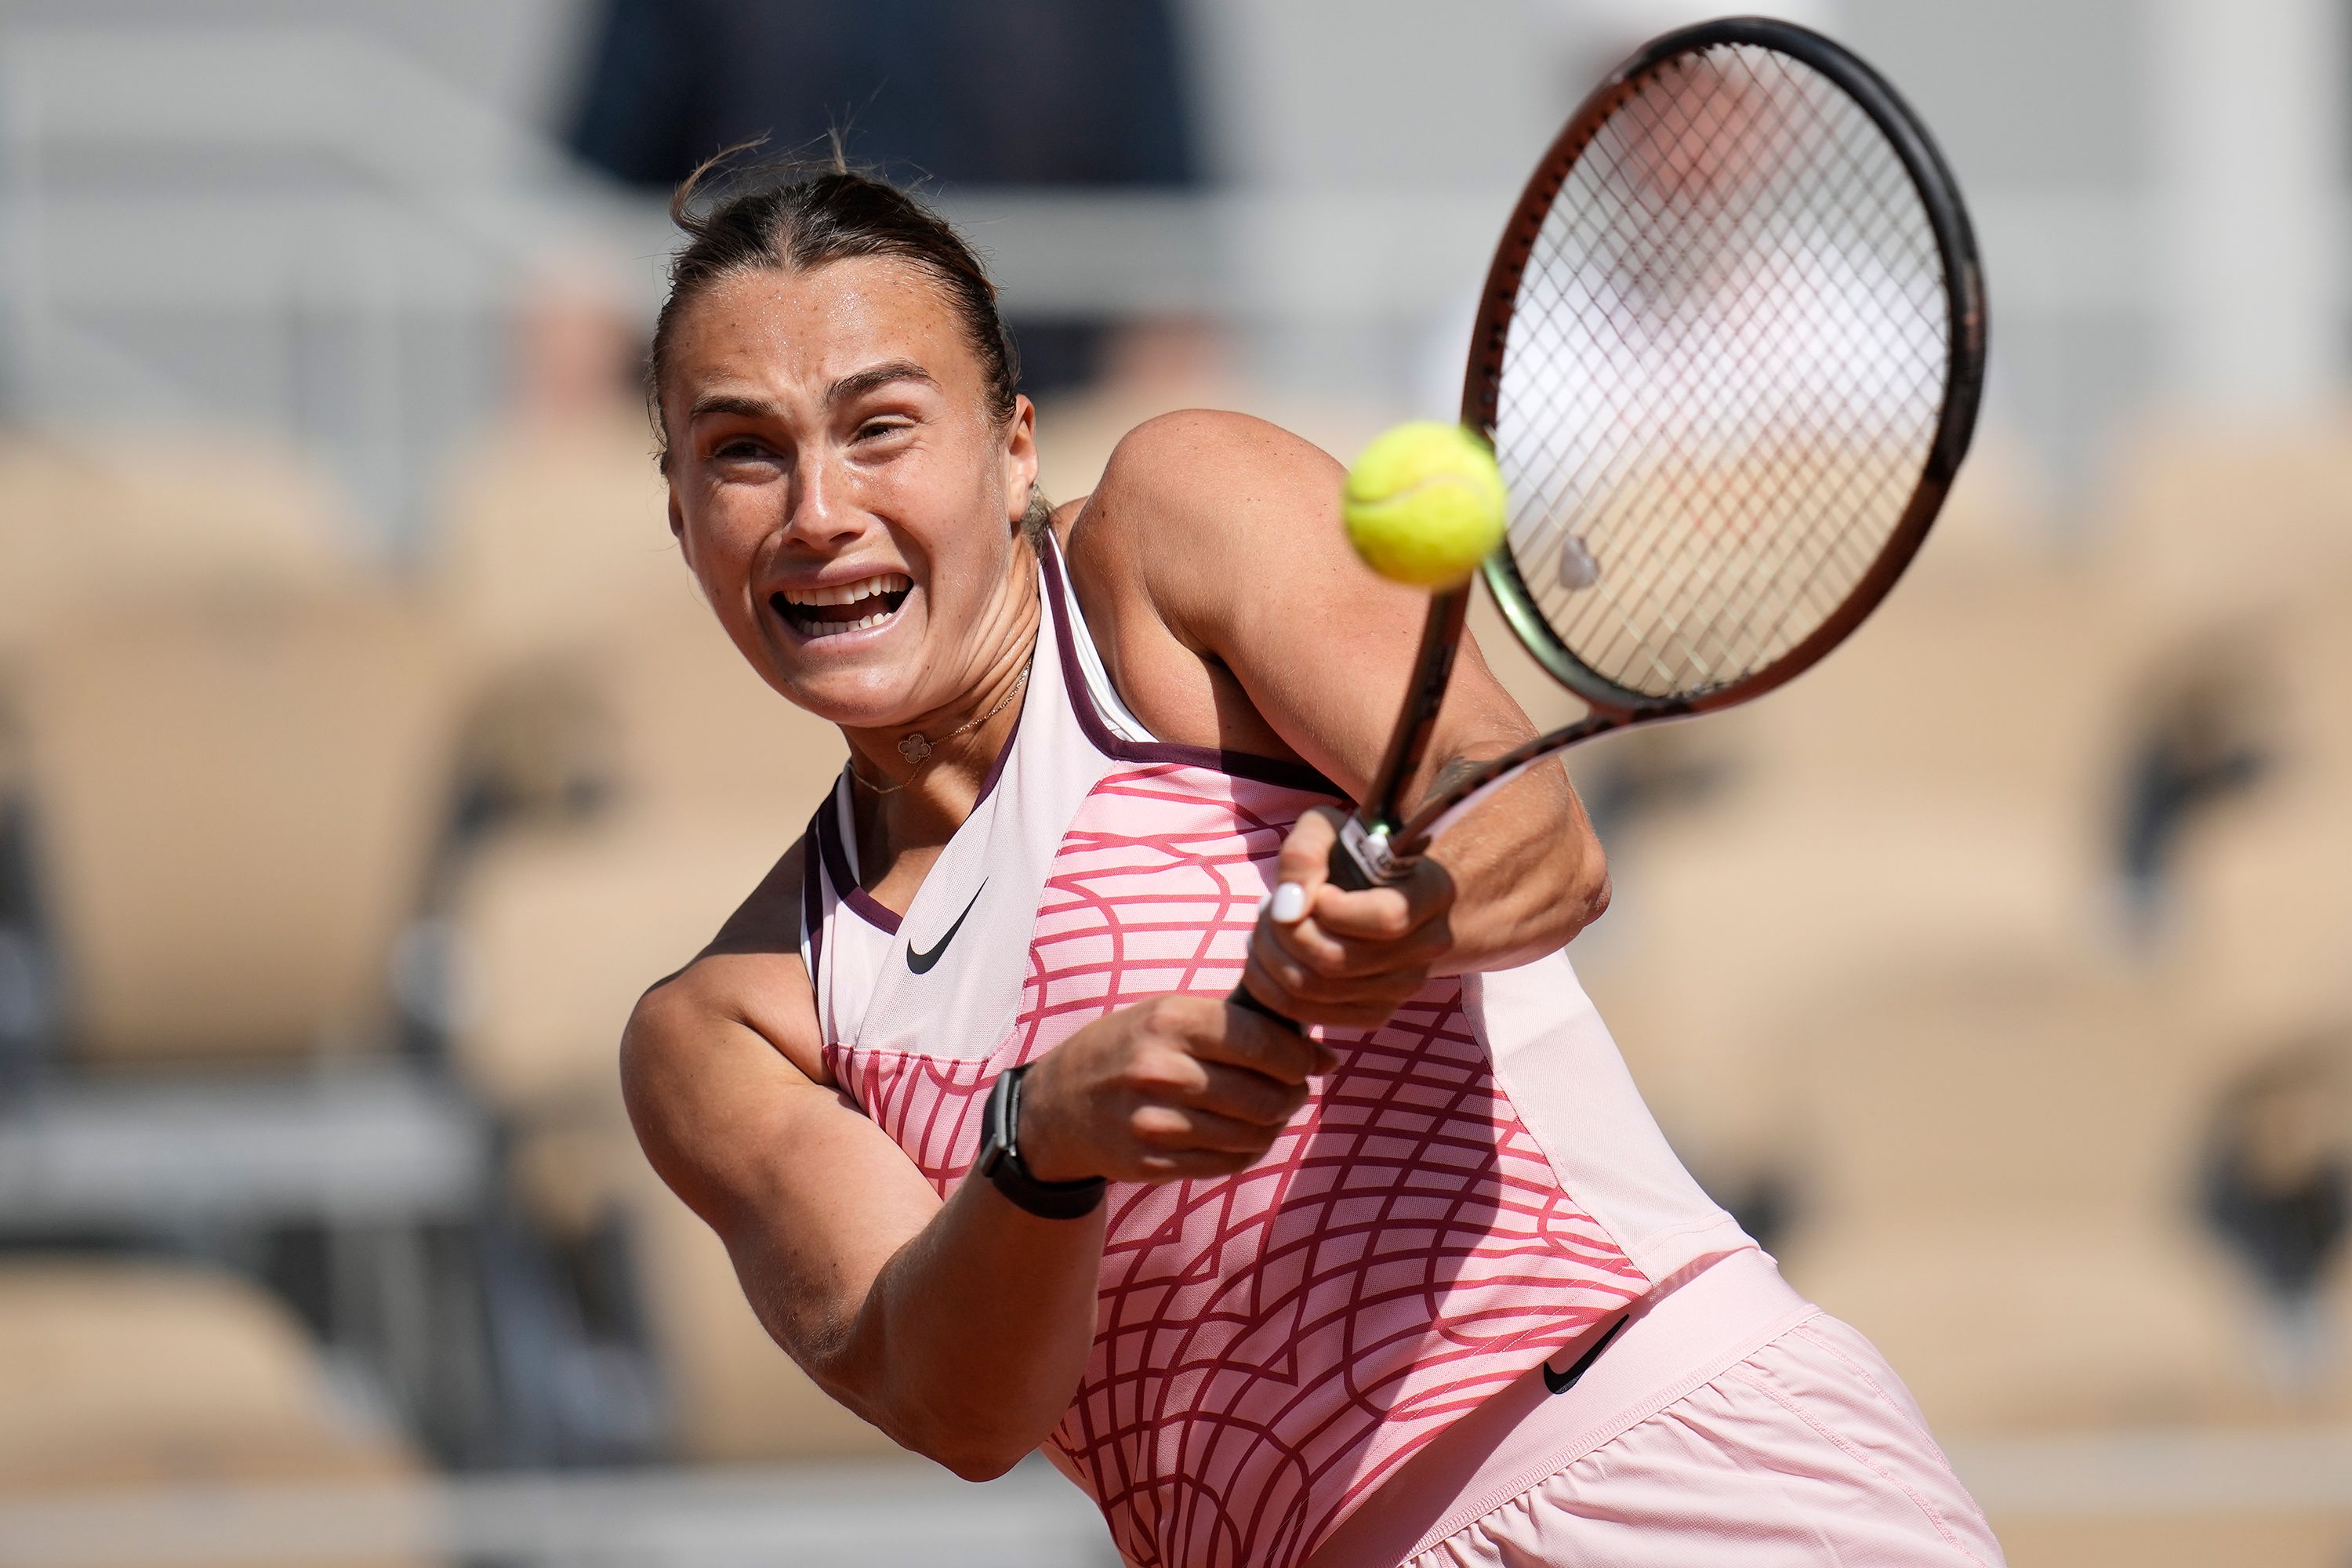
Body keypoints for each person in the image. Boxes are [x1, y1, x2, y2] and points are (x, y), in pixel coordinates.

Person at [620, 160, 2005, 1568]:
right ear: (681, 515)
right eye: (743, 450)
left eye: (881, 428)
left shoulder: (1174, 518)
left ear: (1016, 447)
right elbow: (954, 1405)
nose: (817, 511)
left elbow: (1530, 833)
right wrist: (1044, 1148)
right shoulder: (724, 1029)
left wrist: (1404, 918)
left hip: (1663, 1474)